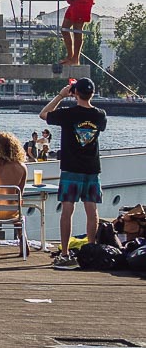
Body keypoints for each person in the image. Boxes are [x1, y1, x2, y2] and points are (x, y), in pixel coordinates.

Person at [42, 78, 108, 268]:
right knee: (92, 211)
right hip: (91, 169)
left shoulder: (68, 114)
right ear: (93, 93)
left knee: (67, 211)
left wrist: (62, 95)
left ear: (75, 93)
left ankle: (64, 253)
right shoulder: (100, 115)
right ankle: (91, 249)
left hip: (71, 168)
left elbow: (43, 114)